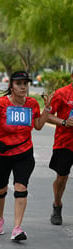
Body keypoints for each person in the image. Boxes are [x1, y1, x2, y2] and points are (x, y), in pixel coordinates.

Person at [0, 71, 52, 241]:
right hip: (1, 154)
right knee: (0, 189)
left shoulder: (32, 104)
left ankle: (17, 228)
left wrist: (46, 109)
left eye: (25, 84)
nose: (23, 87)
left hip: (24, 153)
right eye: (19, 84)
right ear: (11, 85)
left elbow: (39, 126)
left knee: (21, 187)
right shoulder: (0, 103)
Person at [46, 70, 73, 225]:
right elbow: (47, 115)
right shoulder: (62, 93)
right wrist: (64, 122)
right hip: (65, 142)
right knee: (62, 178)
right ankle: (57, 204)